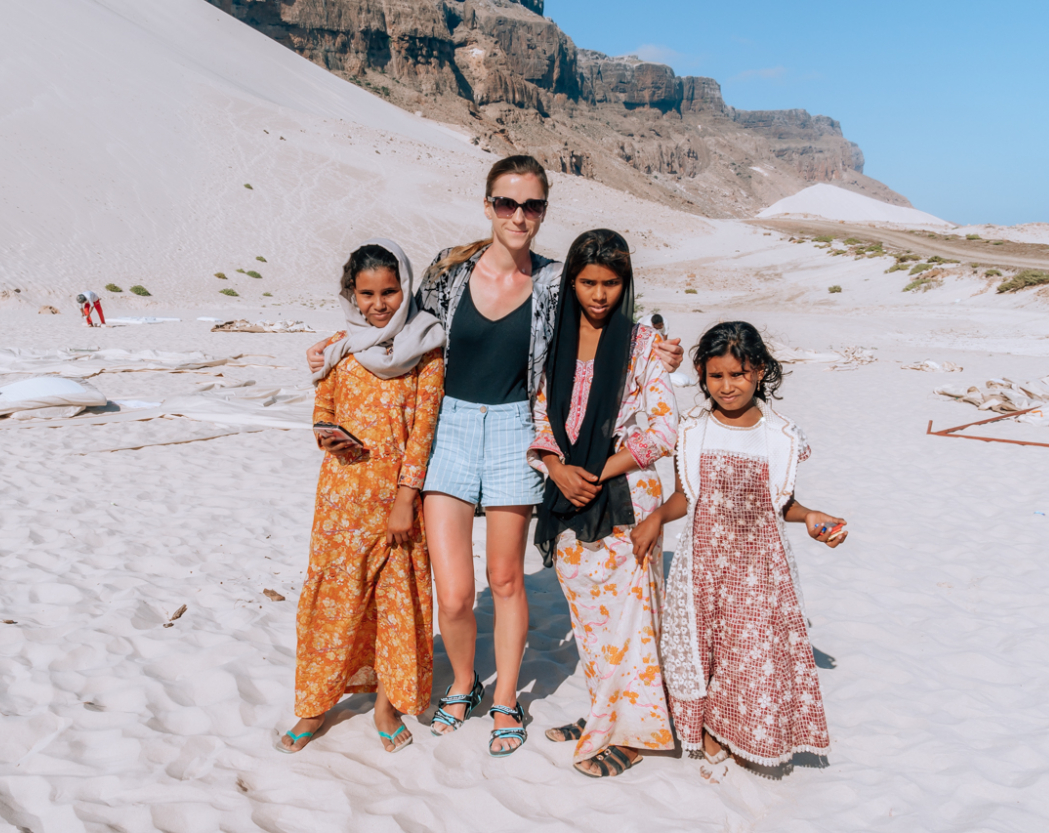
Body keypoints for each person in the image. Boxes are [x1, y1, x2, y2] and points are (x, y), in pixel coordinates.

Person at [305, 156, 685, 757]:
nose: (519, 216)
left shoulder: (559, 281)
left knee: (505, 578)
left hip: (515, 431)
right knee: (454, 594)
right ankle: (463, 683)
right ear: (488, 206)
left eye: (531, 206)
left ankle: (506, 695)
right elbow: (394, 323)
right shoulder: (448, 274)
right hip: (448, 428)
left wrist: (660, 349)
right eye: (507, 204)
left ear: (543, 211)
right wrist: (335, 345)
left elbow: (607, 316)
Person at [632, 321, 848, 782]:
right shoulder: (693, 430)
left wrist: (811, 517)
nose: (727, 387)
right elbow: (686, 496)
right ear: (701, 375)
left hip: (760, 567)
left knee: (749, 653)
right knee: (703, 649)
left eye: (738, 375)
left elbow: (781, 504)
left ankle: (742, 733)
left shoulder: (780, 436)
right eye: (716, 377)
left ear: (760, 372)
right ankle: (709, 727)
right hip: (703, 562)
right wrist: (655, 518)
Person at [276, 239, 446, 755]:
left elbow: (424, 431)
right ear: (352, 294)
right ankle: (313, 706)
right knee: (334, 600)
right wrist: (325, 430)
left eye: (390, 292)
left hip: (398, 501)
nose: (379, 304)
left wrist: (404, 497)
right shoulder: (337, 346)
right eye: (367, 293)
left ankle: (386, 705)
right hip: (341, 500)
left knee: (396, 602)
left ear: (406, 288)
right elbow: (323, 402)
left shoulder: (426, 345)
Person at [528, 230, 678, 777]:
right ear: (571, 282)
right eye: (588, 282)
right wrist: (556, 468)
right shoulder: (555, 343)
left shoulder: (640, 345)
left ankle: (635, 736)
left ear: (625, 283)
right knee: (589, 615)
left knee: (631, 621)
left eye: (611, 283)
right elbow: (539, 413)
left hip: (625, 497)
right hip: (566, 494)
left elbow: (666, 429)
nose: (599, 295)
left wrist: (598, 469)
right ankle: (603, 712)